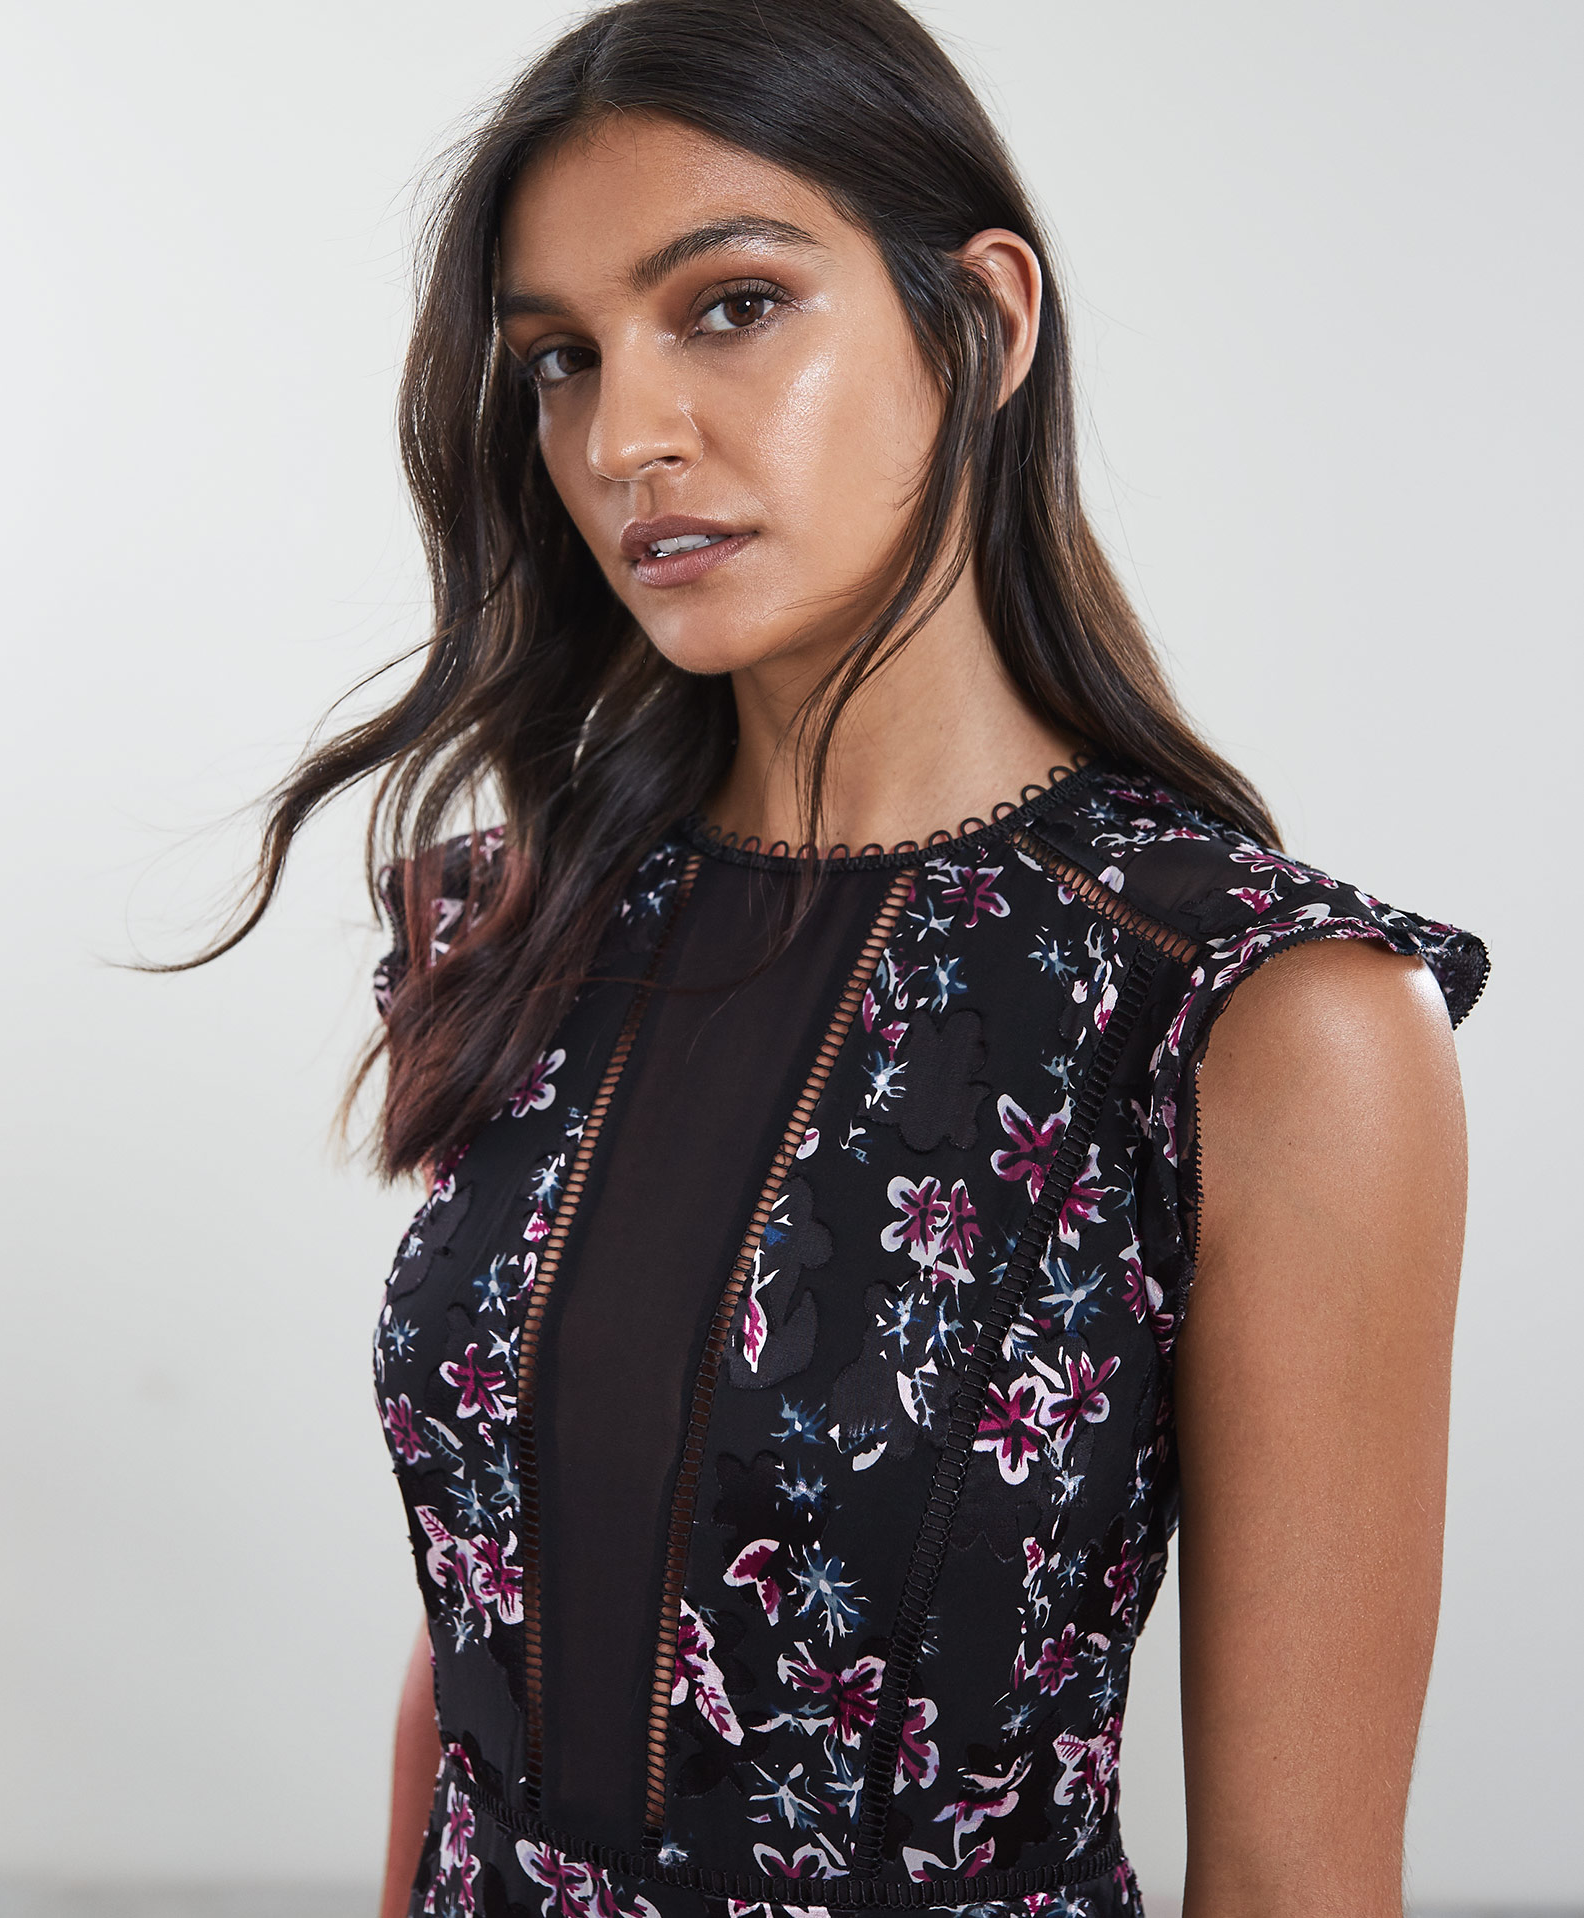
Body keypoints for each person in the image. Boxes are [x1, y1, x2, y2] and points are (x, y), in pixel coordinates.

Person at [203, 2, 1487, 1911]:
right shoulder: (519, 920)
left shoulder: (1260, 1016)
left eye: (730, 305)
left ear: (981, 320)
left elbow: (1301, 1879)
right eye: (560, 358)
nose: (624, 435)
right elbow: (485, 1627)